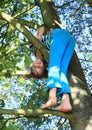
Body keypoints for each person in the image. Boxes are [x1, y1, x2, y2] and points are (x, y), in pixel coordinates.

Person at [31, 26, 75, 112]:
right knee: (62, 72)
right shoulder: (47, 61)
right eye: (40, 68)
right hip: (71, 41)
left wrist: (39, 35)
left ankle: (52, 97)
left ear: (31, 65)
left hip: (58, 35)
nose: (38, 65)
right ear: (44, 67)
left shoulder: (33, 49)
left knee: (54, 67)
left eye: (35, 67)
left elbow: (42, 28)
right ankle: (66, 102)